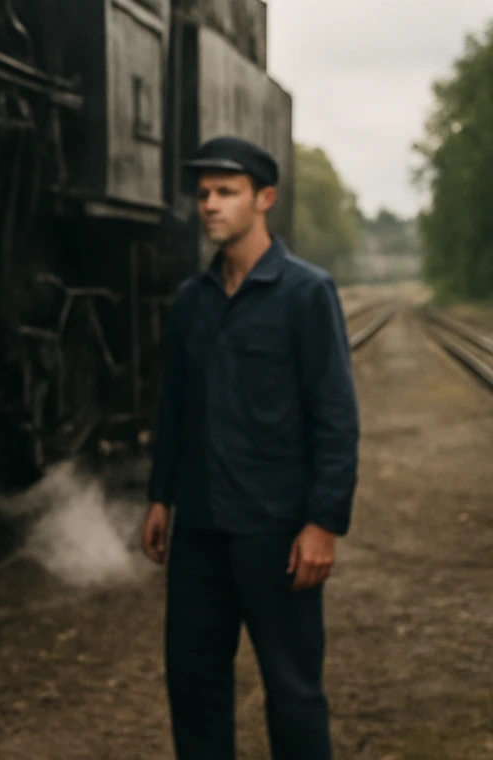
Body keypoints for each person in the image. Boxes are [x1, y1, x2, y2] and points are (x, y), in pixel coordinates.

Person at [141, 135, 359, 760]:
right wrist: (161, 497)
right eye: (204, 193)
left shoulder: (306, 294)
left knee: (293, 694)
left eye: (226, 192)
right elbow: (176, 410)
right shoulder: (191, 302)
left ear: (265, 199)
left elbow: (336, 418)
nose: (210, 204)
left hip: (278, 534)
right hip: (201, 536)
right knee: (195, 689)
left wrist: (323, 524)